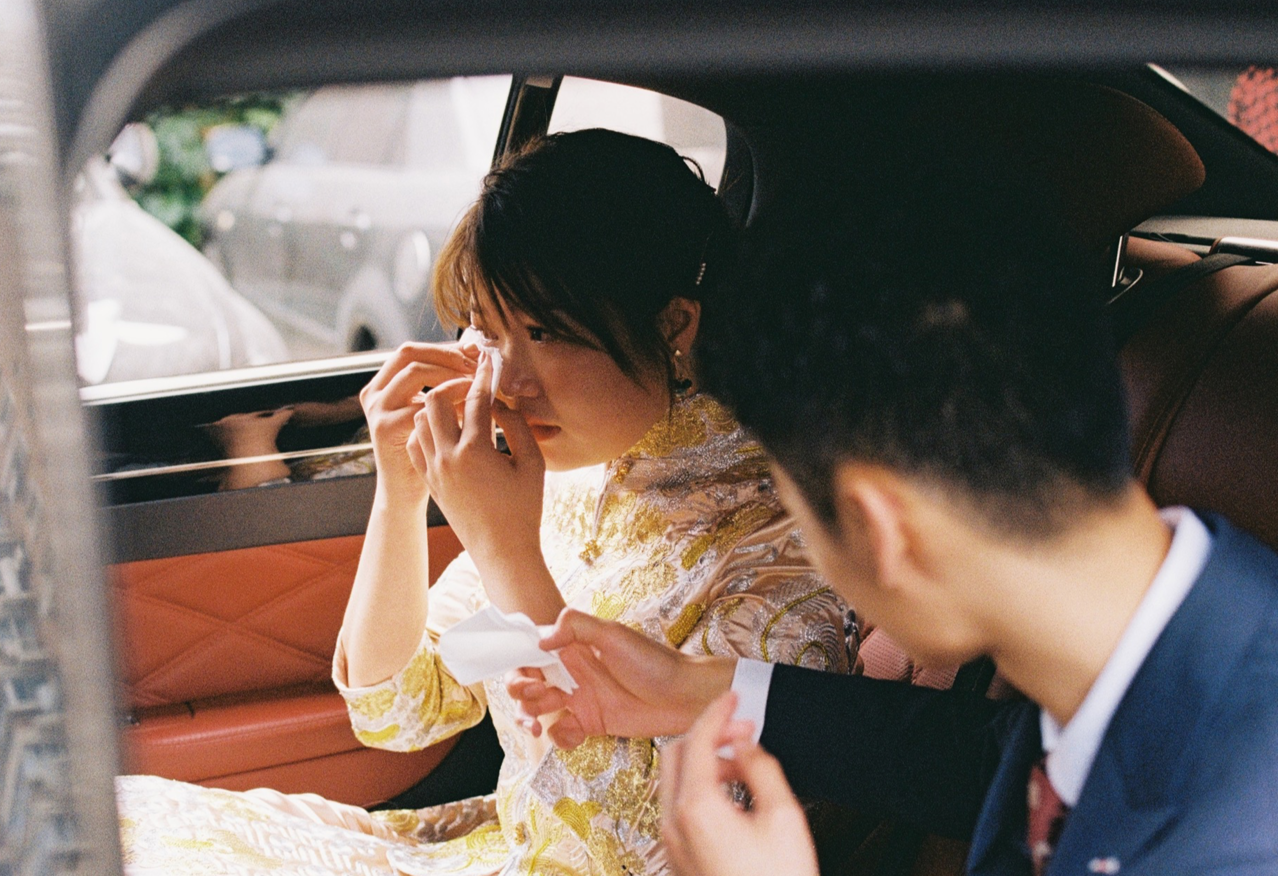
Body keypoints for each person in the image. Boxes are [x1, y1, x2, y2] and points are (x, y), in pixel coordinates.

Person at [115, 129, 856, 876]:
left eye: (544, 331)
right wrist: (401, 494)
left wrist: (508, 555)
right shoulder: (569, 472)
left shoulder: (785, 541)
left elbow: (660, 853)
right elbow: (396, 710)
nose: (508, 381)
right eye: (488, 330)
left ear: (673, 325)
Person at [508, 165, 1278, 875]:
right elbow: (984, 763)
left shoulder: (1232, 846)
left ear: (882, 530)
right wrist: (694, 687)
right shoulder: (1168, 633)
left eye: (799, 517)